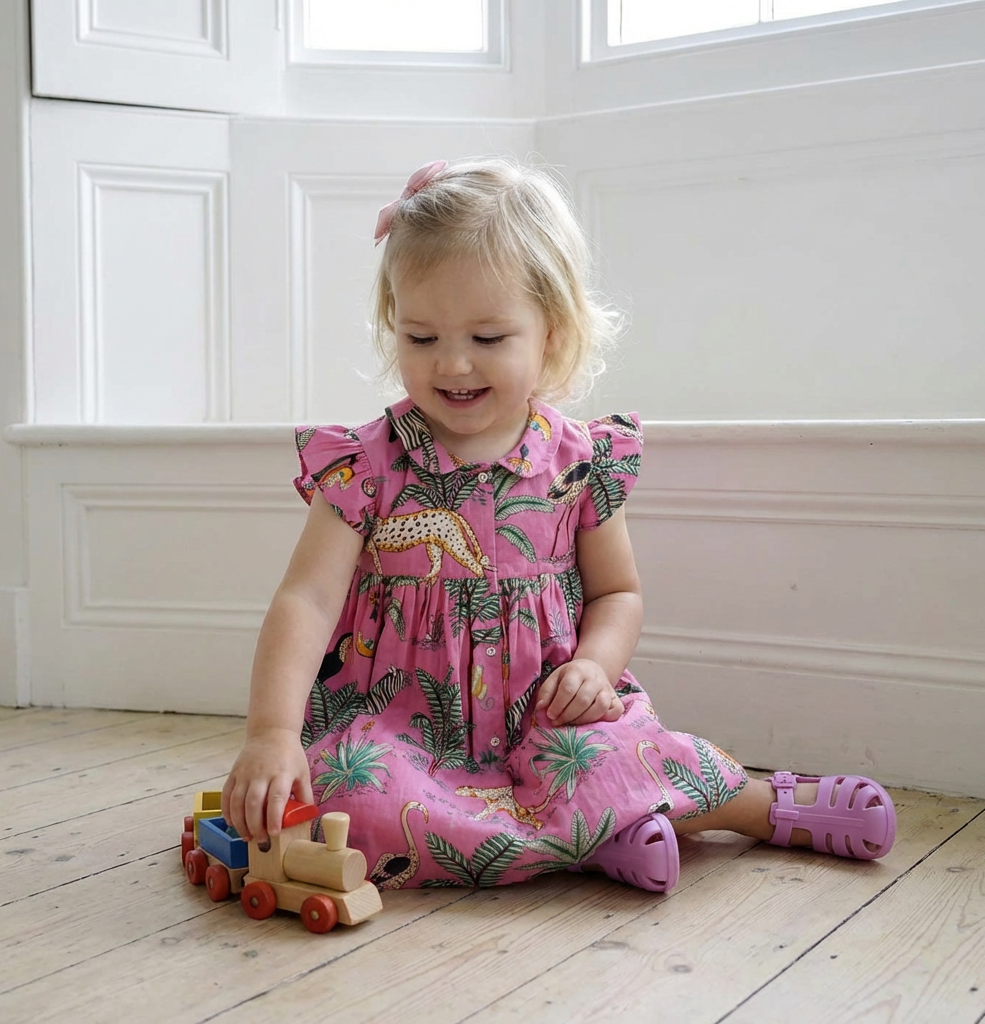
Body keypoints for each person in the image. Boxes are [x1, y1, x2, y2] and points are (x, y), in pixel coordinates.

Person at [222, 158, 895, 892]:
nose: (452, 362)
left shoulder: (578, 462)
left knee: (626, 757)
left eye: (487, 337)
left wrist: (593, 668)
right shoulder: (366, 466)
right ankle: (601, 835)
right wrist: (272, 734)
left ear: (552, 330)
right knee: (354, 799)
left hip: (552, 721)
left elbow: (617, 594)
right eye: (420, 338)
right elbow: (308, 600)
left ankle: (767, 807)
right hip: (404, 727)